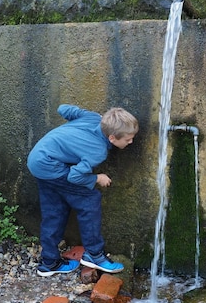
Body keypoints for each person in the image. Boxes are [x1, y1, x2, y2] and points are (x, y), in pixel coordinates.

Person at [27, 104, 139, 277]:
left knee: (54, 211)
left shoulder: (94, 117)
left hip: (38, 160)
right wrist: (96, 178)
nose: (131, 142)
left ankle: (49, 262)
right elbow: (74, 177)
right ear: (111, 138)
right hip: (52, 167)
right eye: (128, 139)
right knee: (89, 199)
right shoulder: (97, 151)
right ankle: (94, 254)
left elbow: (63, 109)